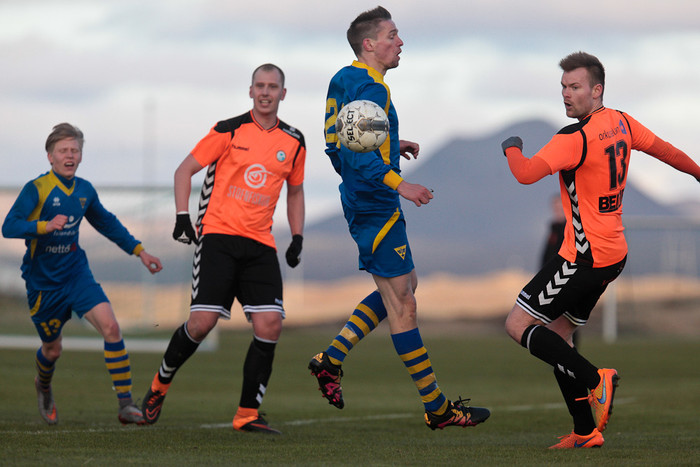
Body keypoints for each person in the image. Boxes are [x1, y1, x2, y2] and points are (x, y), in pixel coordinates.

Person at [500, 51, 700, 449]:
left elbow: (525, 173)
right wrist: (697, 172)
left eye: (575, 87)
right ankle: (584, 431)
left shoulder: (573, 138)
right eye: (563, 87)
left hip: (582, 257)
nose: (566, 94)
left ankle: (597, 379)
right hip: (613, 256)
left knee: (517, 325)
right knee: (559, 335)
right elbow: (665, 150)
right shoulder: (622, 122)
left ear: (597, 90)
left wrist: (511, 146)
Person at [308, 6, 490, 430]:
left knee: (407, 286)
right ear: (369, 44)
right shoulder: (370, 87)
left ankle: (330, 359)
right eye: (392, 35)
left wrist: (390, 142)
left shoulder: (345, 79)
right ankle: (437, 407)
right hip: (375, 202)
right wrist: (398, 183)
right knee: (403, 304)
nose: (400, 42)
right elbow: (355, 153)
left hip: (366, 198)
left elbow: (338, 144)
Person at [140, 63, 306, 435]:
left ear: (283, 93)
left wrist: (297, 236)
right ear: (250, 91)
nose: (265, 92)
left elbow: (295, 192)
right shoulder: (227, 129)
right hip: (218, 238)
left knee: (270, 325)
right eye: (260, 86)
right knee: (202, 324)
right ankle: (159, 386)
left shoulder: (295, 141)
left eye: (272, 86)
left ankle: (247, 414)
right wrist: (182, 216)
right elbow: (184, 171)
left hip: (260, 244)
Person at [2, 122, 163, 426]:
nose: (70, 155)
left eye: (74, 150)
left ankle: (126, 404)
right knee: (53, 349)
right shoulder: (37, 189)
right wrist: (44, 226)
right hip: (43, 284)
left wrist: (140, 251)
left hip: (77, 275)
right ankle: (43, 385)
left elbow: (107, 223)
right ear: (50, 156)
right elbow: (9, 226)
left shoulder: (84, 190)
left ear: (81, 155)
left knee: (111, 327)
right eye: (63, 150)